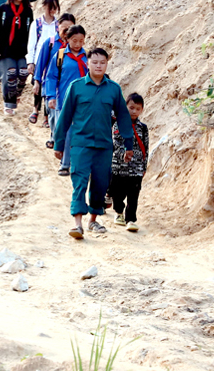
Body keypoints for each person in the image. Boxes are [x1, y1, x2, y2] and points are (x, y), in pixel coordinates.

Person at [52, 48, 134, 239]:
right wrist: (58, 144)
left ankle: (93, 220)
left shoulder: (113, 89)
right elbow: (64, 118)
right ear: (87, 63)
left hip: (104, 146)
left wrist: (128, 145)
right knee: (79, 181)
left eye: (102, 62)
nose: (98, 65)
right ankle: (78, 224)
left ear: (107, 64)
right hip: (81, 144)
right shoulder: (76, 86)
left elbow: (123, 117)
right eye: (95, 62)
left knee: (100, 183)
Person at [43, 24, 88, 176]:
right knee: (65, 131)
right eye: (74, 40)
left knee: (78, 132)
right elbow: (51, 77)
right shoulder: (60, 56)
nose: (78, 44)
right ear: (67, 39)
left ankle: (73, 164)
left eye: (81, 41)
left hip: (83, 101)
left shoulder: (87, 58)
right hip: (63, 100)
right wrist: (51, 96)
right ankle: (64, 161)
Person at [0, 0, 34, 115]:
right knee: (10, 73)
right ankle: (8, 104)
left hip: (22, 50)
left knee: (23, 73)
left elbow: (31, 32)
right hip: (6, 49)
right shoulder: (4, 9)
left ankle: (15, 95)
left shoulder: (27, 11)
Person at [109, 93, 149, 232]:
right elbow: (116, 143)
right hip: (119, 167)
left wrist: (144, 167)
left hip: (136, 168)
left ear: (142, 110)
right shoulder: (117, 124)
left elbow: (146, 148)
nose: (134, 111)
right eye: (131, 108)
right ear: (125, 107)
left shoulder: (143, 128)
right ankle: (119, 212)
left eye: (138, 109)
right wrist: (123, 154)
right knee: (117, 194)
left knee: (134, 195)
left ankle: (131, 219)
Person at [34, 12, 75, 143]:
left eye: (71, 29)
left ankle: (62, 141)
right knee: (52, 115)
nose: (67, 32)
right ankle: (54, 136)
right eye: (65, 29)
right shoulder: (50, 43)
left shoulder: (75, 47)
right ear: (58, 27)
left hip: (67, 88)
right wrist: (37, 82)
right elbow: (40, 64)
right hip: (51, 86)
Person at [26, 0, 61, 123]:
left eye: (55, 8)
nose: (52, 11)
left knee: (50, 87)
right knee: (37, 85)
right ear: (44, 7)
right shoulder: (37, 24)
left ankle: (47, 116)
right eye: (50, 8)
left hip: (54, 60)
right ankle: (36, 110)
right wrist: (30, 61)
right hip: (39, 59)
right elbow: (31, 44)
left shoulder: (58, 25)